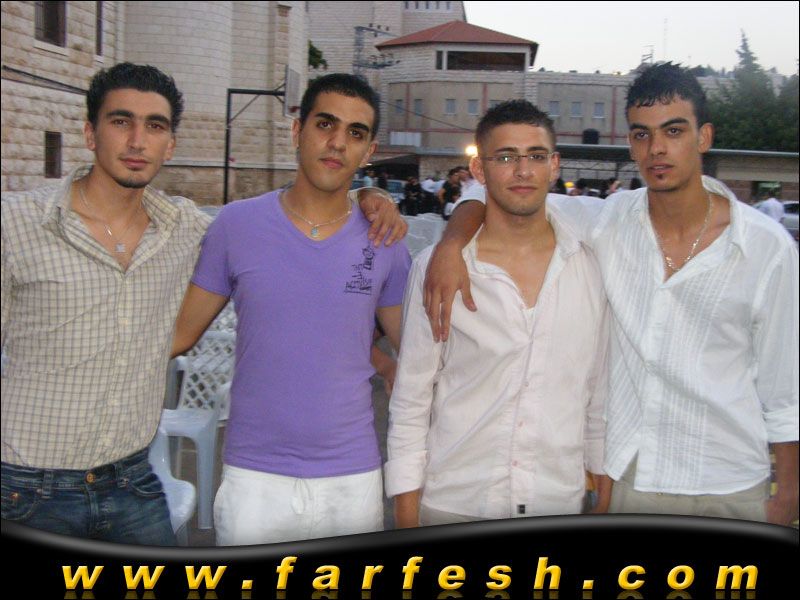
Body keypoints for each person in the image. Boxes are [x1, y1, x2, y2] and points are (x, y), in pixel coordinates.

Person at [1, 64, 408, 546]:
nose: (137, 141)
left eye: (154, 126)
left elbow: (408, 349)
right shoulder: (17, 224)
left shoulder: (189, 228)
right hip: (34, 482)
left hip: (142, 480)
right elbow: (183, 331)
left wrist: (373, 197)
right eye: (121, 121)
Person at [420, 62, 799, 525]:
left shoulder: (765, 247)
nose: (657, 148)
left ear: (703, 137)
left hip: (730, 482)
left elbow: (785, 389)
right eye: (641, 134)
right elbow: (505, 192)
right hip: (633, 478)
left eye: (673, 131)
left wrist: (789, 494)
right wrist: (451, 242)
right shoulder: (607, 222)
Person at [171, 73, 412, 545]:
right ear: (297, 130)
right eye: (325, 124)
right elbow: (179, 335)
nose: (337, 143)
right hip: (254, 478)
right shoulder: (236, 225)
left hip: (352, 478)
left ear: (368, 151)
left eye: (355, 133)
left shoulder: (385, 240)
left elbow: (418, 354)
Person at [386, 100, 611, 528]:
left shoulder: (589, 268)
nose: (523, 171)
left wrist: (601, 479)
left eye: (536, 156)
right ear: (479, 169)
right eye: (506, 157)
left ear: (554, 165)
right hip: (456, 501)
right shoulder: (438, 268)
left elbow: (596, 389)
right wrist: (406, 511)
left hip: (555, 499)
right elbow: (412, 397)